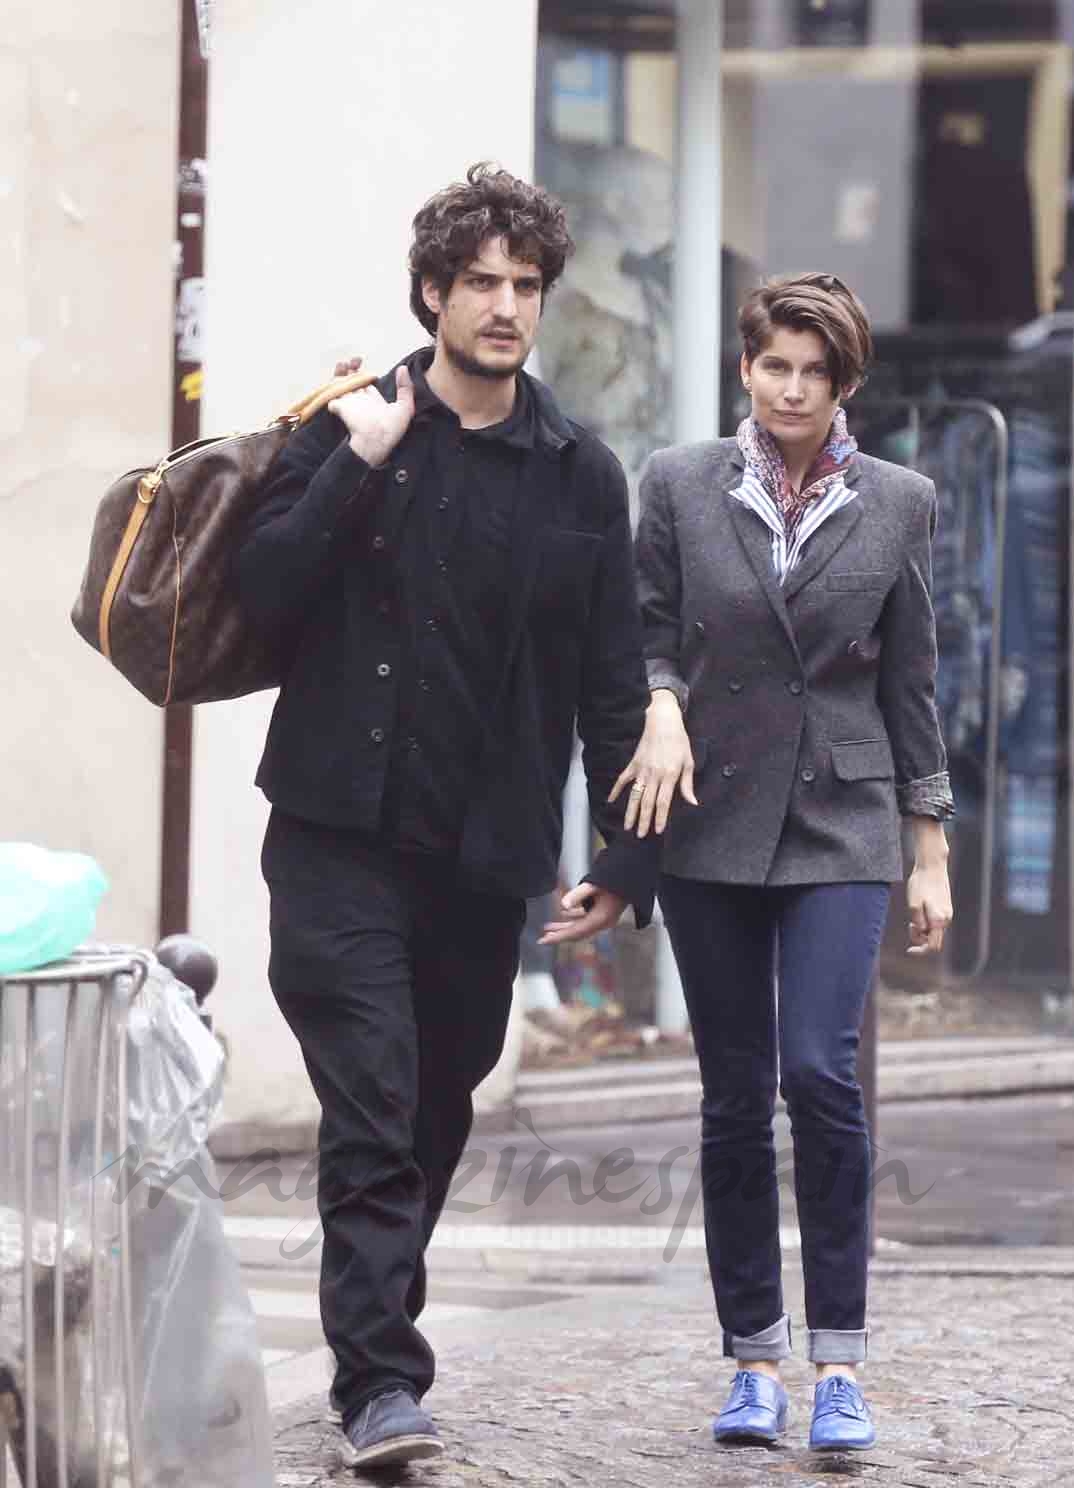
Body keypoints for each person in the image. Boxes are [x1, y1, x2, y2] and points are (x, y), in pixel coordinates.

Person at [234, 164, 658, 1468]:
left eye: (524, 284)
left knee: (434, 1103)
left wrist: (622, 860)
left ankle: (374, 1350)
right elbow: (258, 593)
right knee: (370, 1101)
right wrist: (352, 465)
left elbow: (608, 670)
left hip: (481, 848)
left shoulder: (579, 475)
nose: (503, 305)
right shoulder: (352, 429)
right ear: (431, 291)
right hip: (333, 833)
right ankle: (378, 1384)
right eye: (478, 281)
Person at [617, 273, 954, 1453]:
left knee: (821, 1075)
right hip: (711, 818)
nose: (793, 389)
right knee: (731, 1096)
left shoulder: (903, 501)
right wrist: (660, 704)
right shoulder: (676, 482)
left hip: (844, 825)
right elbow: (647, 623)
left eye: (816, 372)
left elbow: (911, 679)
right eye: (775, 367)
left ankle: (842, 1368)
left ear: (846, 383)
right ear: (746, 370)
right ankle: (754, 1360)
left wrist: (930, 847)